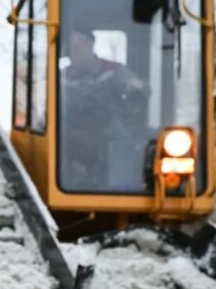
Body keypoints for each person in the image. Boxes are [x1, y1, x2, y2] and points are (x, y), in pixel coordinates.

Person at [59, 20, 150, 190]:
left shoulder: (114, 71)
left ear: (91, 44)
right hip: (71, 143)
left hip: (108, 139)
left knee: (124, 142)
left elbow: (137, 88)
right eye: (72, 47)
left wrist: (136, 88)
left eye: (79, 45)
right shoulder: (62, 78)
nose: (75, 51)